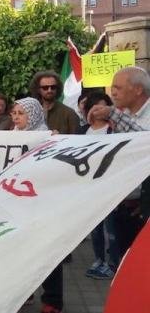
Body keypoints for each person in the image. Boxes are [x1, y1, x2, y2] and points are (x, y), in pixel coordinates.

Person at [87, 66, 150, 256]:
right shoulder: (124, 116)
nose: (112, 92)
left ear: (137, 89)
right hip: (122, 208)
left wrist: (112, 114)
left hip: (143, 211)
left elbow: (144, 143)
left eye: (118, 87)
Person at [10, 97, 62, 313]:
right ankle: (24, 292)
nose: (16, 117)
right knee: (19, 252)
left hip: (42, 206)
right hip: (17, 205)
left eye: (21, 113)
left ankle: (52, 300)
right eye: (15, 113)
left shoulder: (47, 137)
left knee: (46, 253)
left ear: (33, 115)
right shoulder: (10, 136)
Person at [78, 92, 118, 280]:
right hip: (89, 189)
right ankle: (99, 259)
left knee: (110, 229)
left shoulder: (114, 130)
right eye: (96, 107)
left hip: (110, 187)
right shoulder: (82, 131)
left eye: (104, 106)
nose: (100, 111)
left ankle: (112, 263)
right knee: (95, 228)